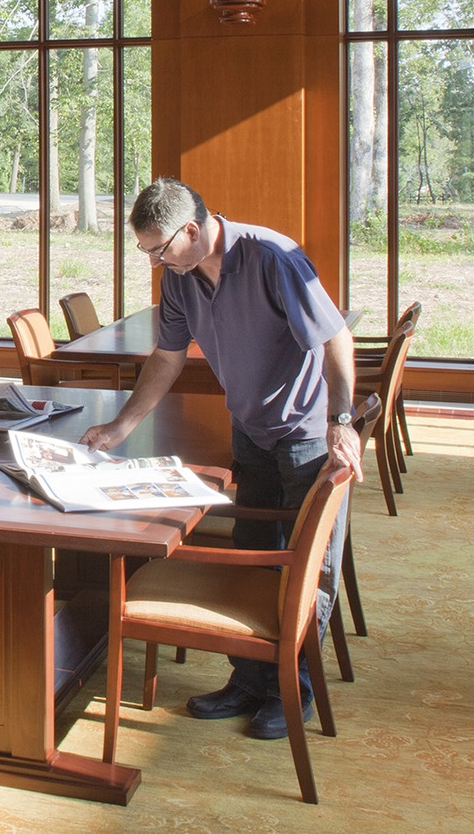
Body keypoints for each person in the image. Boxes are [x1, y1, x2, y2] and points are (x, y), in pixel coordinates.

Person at [79, 178, 362, 742]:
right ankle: (249, 679)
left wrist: (341, 419)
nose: (155, 262)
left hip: (305, 430)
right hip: (250, 428)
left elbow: (336, 340)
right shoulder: (180, 279)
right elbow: (167, 359)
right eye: (146, 252)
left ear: (192, 229)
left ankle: (294, 687)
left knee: (309, 567)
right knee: (252, 552)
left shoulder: (272, 256)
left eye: (159, 249)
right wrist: (119, 427)